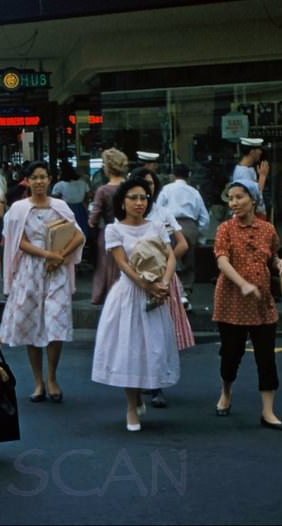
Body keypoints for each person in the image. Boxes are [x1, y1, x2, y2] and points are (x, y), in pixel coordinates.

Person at [91, 178, 180, 432]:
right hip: (130, 294)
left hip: (156, 293)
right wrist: (147, 285)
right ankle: (131, 405)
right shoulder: (114, 230)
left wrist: (163, 283)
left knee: (151, 346)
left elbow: (170, 255)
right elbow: (123, 265)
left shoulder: (157, 226)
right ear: (123, 201)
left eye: (144, 198)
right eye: (134, 198)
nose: (140, 203)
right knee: (129, 349)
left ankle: (143, 390)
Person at [0, 161, 84, 403]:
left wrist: (61, 256)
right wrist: (48, 255)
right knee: (31, 324)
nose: (39, 182)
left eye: (43, 177)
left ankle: (52, 377)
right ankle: (38, 381)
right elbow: (18, 241)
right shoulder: (17, 209)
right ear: (27, 180)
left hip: (56, 271)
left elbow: (78, 235)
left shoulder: (60, 206)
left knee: (55, 324)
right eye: (34, 177)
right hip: (30, 270)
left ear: (49, 180)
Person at [212, 179, 282, 430]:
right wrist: (242, 284)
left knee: (266, 358)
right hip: (231, 302)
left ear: (253, 200)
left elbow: (274, 254)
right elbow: (222, 261)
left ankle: (268, 412)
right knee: (230, 355)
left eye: (239, 197)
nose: (233, 203)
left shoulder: (268, 229)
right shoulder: (225, 229)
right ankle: (226, 392)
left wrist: (280, 264)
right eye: (230, 198)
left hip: (262, 303)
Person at [142, 170, 194, 408]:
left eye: (150, 184)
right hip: (135, 279)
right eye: (142, 184)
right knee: (138, 331)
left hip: (162, 278)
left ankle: (156, 385)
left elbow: (182, 244)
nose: (146, 189)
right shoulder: (125, 215)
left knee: (159, 332)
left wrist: (166, 262)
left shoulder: (162, 213)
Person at [155, 164, 211, 303]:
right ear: (189, 176)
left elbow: (158, 209)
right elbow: (204, 217)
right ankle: (185, 292)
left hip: (169, 225)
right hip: (189, 225)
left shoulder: (166, 189)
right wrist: (200, 235)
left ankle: (168, 288)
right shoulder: (194, 192)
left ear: (173, 175)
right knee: (188, 259)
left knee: (169, 257)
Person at [89, 148, 128, 305]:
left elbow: (94, 217)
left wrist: (91, 222)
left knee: (105, 265)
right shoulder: (129, 187)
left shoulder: (103, 190)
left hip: (108, 230)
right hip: (129, 229)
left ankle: (103, 295)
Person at [51, 162, 91, 242]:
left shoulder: (60, 185)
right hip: (80, 209)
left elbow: (54, 199)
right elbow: (89, 195)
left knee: (67, 234)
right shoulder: (83, 183)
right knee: (81, 230)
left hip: (65, 209)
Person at [233, 138, 269, 220]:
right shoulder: (243, 173)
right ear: (252, 152)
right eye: (258, 149)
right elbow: (254, 196)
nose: (260, 152)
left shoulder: (249, 168)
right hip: (250, 218)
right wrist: (262, 177)